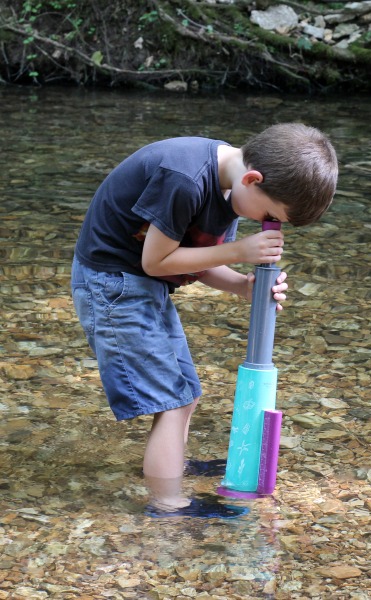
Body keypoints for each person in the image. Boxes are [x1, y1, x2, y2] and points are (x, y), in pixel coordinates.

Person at [70, 123, 338, 517]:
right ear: (253, 179)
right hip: (111, 282)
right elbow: (157, 260)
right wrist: (239, 250)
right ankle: (168, 505)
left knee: (187, 394)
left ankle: (169, 467)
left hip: (142, 284)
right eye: (269, 215)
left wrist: (244, 287)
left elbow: (195, 261)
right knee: (172, 402)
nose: (267, 225)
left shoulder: (232, 190)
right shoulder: (185, 179)